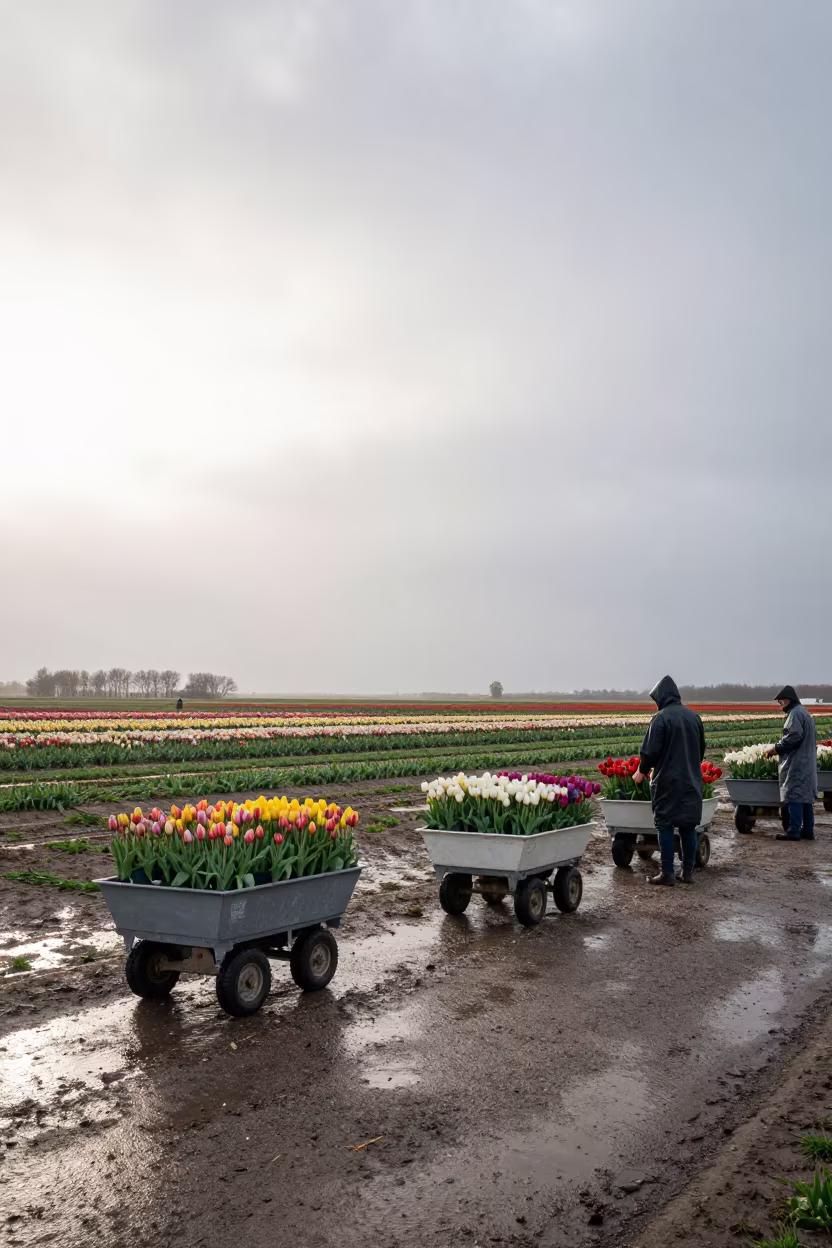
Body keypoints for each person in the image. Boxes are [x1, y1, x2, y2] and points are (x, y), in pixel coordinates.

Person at [633, 675, 706, 887]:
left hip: (667, 781)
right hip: (692, 780)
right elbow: (700, 751)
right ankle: (688, 872)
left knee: (664, 824)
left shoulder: (661, 718)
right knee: (688, 826)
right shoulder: (694, 718)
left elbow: (649, 752)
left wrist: (641, 771)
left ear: (661, 697)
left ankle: (667, 873)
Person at [766, 685, 817, 841]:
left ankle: (793, 831)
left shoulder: (795, 714)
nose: (780, 704)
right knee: (805, 797)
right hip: (807, 761)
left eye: (781, 701)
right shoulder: (804, 713)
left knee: (794, 795)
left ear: (789, 699)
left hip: (797, 762)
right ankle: (808, 831)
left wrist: (776, 748)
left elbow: (793, 737)